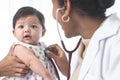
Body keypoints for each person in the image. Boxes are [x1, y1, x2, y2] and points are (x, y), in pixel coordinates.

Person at [45, 0, 120, 80]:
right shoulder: (84, 47)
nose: (53, 15)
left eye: (53, 5)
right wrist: (67, 69)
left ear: (66, 6)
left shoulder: (116, 43)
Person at [4, 6, 58, 80]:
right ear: (14, 33)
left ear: (43, 32)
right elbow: (31, 61)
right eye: (21, 26)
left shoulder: (43, 47)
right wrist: (47, 76)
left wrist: (60, 60)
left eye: (33, 26)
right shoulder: (19, 47)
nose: (26, 30)